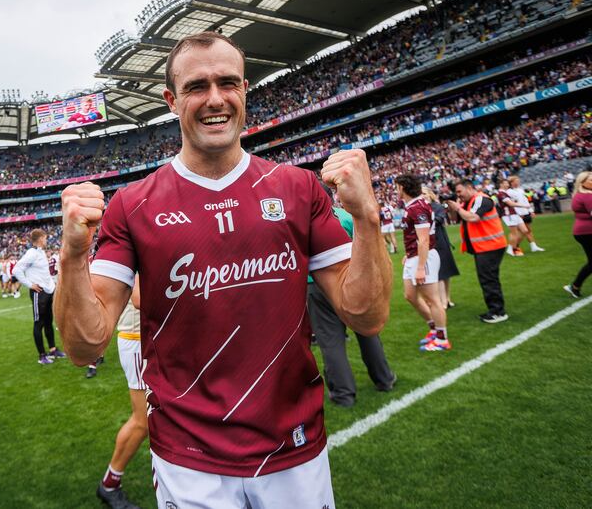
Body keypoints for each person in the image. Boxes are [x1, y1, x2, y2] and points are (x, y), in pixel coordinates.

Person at [56, 31, 391, 508]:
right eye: (197, 86)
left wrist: (367, 217)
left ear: (244, 90)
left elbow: (367, 316)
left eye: (227, 83)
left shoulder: (298, 189)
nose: (215, 99)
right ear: (171, 100)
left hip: (293, 446)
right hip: (188, 459)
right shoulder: (133, 205)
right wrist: (72, 256)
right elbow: (83, 346)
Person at [308, 201, 396, 406]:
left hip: (317, 284)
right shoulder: (346, 217)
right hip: (353, 279)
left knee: (331, 340)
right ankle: (384, 378)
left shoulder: (305, 221)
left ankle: (343, 393)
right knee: (367, 332)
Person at [96, 277, 146, 509]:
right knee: (142, 422)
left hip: (144, 338)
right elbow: (139, 298)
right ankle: (109, 484)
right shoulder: (139, 253)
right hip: (136, 340)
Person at [396, 175, 450, 351]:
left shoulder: (418, 207)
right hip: (414, 256)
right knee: (410, 296)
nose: (396, 190)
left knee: (432, 299)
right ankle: (434, 329)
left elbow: (424, 239)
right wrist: (409, 254)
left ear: (402, 187)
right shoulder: (412, 206)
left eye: (397, 187)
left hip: (423, 258)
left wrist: (420, 267)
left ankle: (442, 339)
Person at [448, 180, 509, 323]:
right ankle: (495, 309)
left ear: (469, 188)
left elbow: (473, 217)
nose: (458, 195)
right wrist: (453, 208)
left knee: (489, 279)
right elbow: (454, 219)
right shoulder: (469, 201)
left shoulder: (481, 199)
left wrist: (457, 208)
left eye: (460, 191)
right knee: (487, 278)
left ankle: (498, 312)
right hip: (484, 246)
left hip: (490, 246)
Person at [13, 229, 65, 364]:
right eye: (45, 238)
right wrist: (30, 284)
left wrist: (52, 287)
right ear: (41, 238)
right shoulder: (31, 253)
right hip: (38, 293)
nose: (46, 240)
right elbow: (16, 270)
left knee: (48, 321)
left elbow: (44, 273)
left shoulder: (40, 252)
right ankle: (42, 355)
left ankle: (53, 350)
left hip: (47, 291)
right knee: (39, 323)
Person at [424, 188, 459, 310]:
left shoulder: (437, 206)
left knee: (446, 272)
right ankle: (441, 301)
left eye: (425, 193)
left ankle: (447, 299)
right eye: (421, 194)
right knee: (437, 273)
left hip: (440, 242)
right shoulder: (420, 208)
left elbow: (439, 219)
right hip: (429, 243)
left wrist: (424, 220)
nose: (423, 196)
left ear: (430, 195)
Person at [565, 171, 592, 298]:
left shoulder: (579, 195)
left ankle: (575, 286)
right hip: (588, 232)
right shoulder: (587, 196)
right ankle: (575, 286)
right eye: (590, 179)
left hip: (583, 232)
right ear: (582, 182)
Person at [502, 177, 545, 255]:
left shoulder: (520, 190)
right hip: (518, 213)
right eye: (516, 181)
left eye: (518, 181)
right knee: (520, 232)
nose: (518, 182)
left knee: (528, 230)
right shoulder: (508, 192)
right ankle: (513, 247)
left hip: (525, 212)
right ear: (511, 183)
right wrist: (517, 212)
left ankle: (533, 246)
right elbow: (511, 204)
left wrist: (530, 210)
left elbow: (525, 200)